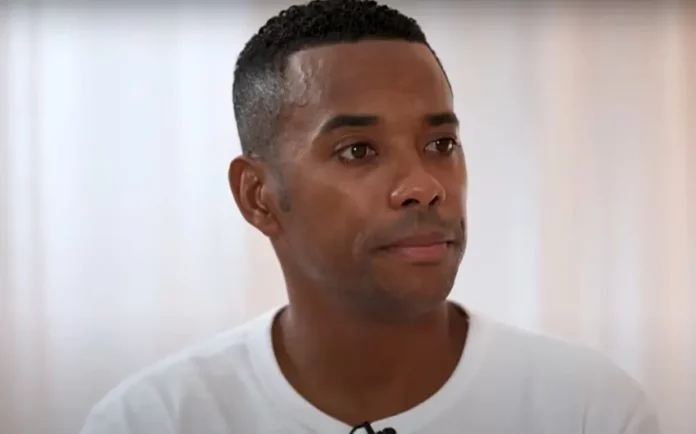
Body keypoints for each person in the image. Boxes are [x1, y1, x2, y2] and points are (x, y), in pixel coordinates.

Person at [80, 1, 660, 433]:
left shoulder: (591, 412)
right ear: (258, 196)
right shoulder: (152, 421)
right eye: (358, 150)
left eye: (440, 144)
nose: (424, 186)